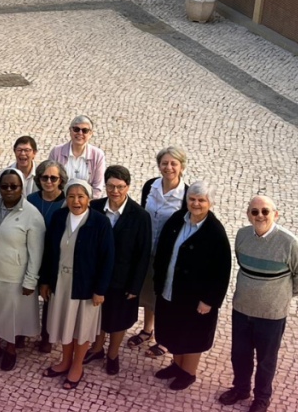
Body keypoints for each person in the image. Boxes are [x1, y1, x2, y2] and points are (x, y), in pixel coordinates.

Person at [219, 195, 298, 412]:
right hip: (242, 308)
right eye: (255, 211)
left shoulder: (290, 243)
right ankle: (240, 390)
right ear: (248, 214)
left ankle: (262, 398)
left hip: (271, 314)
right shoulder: (242, 236)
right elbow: (242, 263)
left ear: (274, 214)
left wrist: (279, 298)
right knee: (239, 354)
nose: (260, 215)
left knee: (266, 359)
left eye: (265, 211)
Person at [152, 181, 232, 391]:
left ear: (210, 203)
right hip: (171, 289)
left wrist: (209, 300)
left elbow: (222, 270)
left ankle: (188, 373)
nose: (196, 203)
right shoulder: (178, 219)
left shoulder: (215, 232)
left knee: (192, 334)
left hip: (196, 297)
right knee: (174, 330)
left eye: (201, 200)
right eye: (192, 199)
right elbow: (163, 251)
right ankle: (177, 366)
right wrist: (158, 282)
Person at [39, 180, 114, 390]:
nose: (76, 201)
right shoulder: (59, 217)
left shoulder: (99, 222)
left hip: (86, 286)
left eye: (81, 196)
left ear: (89, 199)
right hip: (60, 283)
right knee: (65, 323)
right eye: (71, 196)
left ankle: (77, 365)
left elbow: (107, 258)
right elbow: (49, 251)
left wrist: (100, 290)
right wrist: (45, 281)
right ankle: (65, 361)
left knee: (81, 327)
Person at [0, 169, 45, 371]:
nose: (9, 190)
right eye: (5, 186)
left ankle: (10, 349)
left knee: (11, 316)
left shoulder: (32, 215)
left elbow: (36, 253)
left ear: (22, 187)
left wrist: (31, 280)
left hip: (15, 276)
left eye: (14, 186)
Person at [84, 166, 152, 376]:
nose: (115, 191)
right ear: (105, 186)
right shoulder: (93, 207)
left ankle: (113, 354)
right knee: (98, 316)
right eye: (111, 186)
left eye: (120, 187)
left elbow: (143, 254)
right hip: (96, 276)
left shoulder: (140, 216)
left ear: (128, 187)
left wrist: (135, 286)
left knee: (119, 319)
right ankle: (96, 349)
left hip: (123, 279)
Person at [127, 146, 189, 358]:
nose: (168, 167)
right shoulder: (149, 186)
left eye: (173, 163)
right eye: (164, 163)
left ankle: (165, 339)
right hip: (148, 249)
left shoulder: (186, 194)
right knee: (148, 292)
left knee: (165, 295)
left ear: (181, 166)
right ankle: (147, 330)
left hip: (169, 254)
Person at [27, 159, 68, 353]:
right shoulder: (31, 199)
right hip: (31, 253)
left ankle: (48, 336)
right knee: (26, 295)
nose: (49, 181)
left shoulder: (67, 202)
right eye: (45, 177)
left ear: (61, 180)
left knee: (50, 298)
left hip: (55, 258)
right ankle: (21, 331)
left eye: (53, 177)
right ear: (39, 178)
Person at [48, 116, 105, 199]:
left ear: (90, 133)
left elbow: (97, 188)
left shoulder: (98, 155)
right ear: (70, 130)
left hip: (87, 205)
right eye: (76, 129)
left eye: (85, 130)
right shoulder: (56, 152)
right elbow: (50, 180)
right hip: (60, 202)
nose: (80, 133)